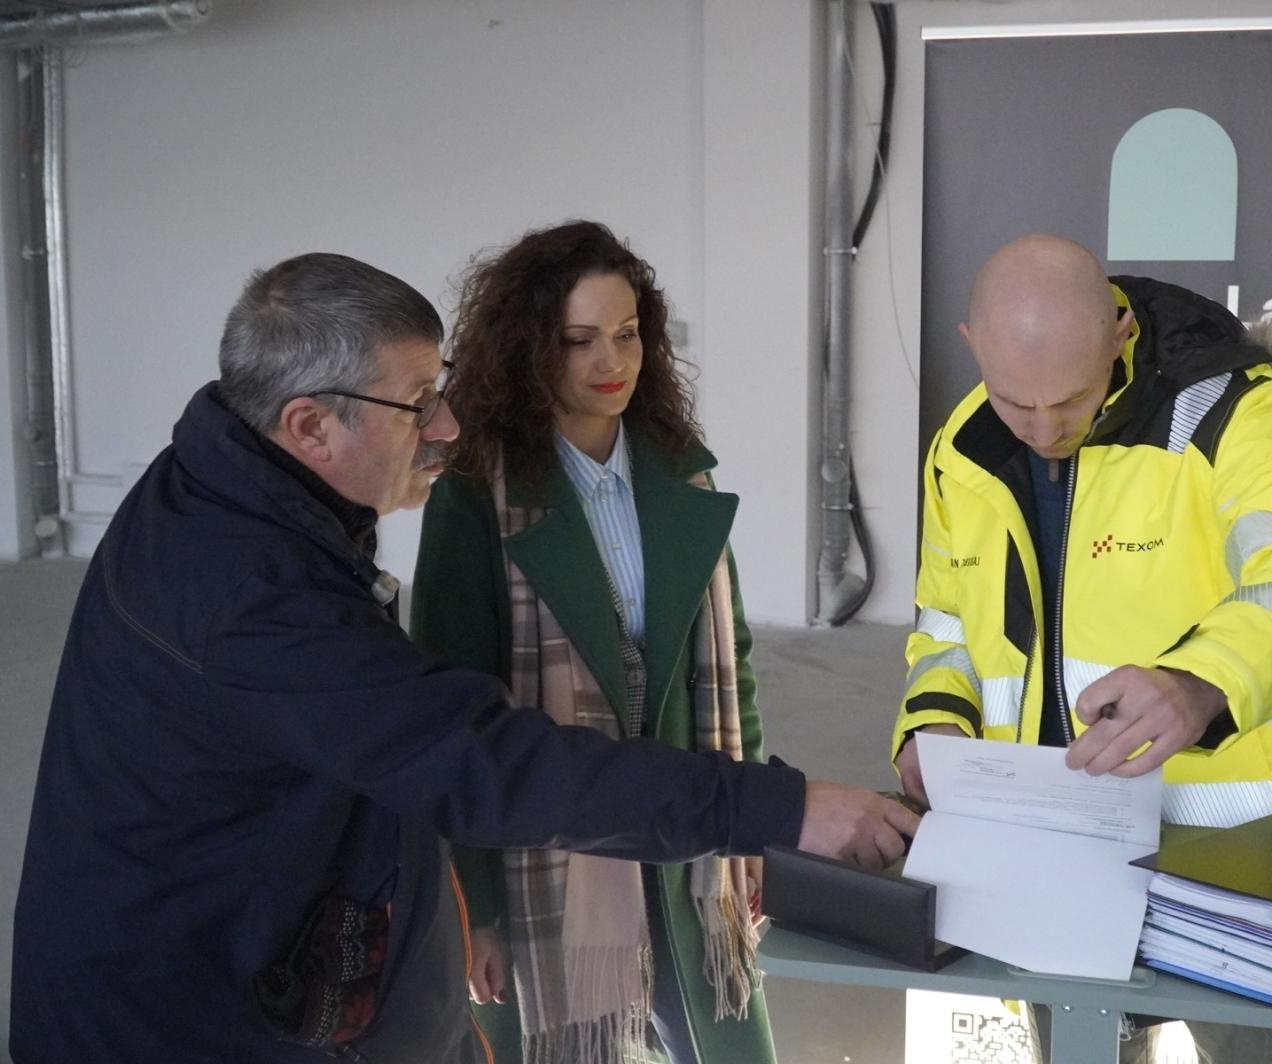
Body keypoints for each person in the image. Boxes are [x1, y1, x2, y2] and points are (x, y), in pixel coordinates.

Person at [9, 252, 919, 1064]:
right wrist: (780, 807)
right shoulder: (255, 601)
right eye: (415, 404)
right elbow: (482, 759)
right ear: (308, 426)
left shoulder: (223, 485)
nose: (444, 423)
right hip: (190, 1020)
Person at [890, 235, 1272, 1064]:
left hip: (1240, 864)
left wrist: (1198, 681)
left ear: (1118, 330)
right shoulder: (961, 446)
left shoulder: (1231, 408)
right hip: (1056, 860)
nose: (1045, 429)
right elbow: (946, 624)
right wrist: (932, 726)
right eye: (1016, 401)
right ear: (973, 347)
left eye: (1071, 399)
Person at [409, 220, 781, 1064]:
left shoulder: (682, 468)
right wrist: (479, 908)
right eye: (578, 341)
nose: (611, 362)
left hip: (690, 830)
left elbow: (735, 661)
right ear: (527, 348)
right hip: (552, 848)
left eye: (626, 334)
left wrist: (751, 818)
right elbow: (451, 716)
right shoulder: (476, 496)